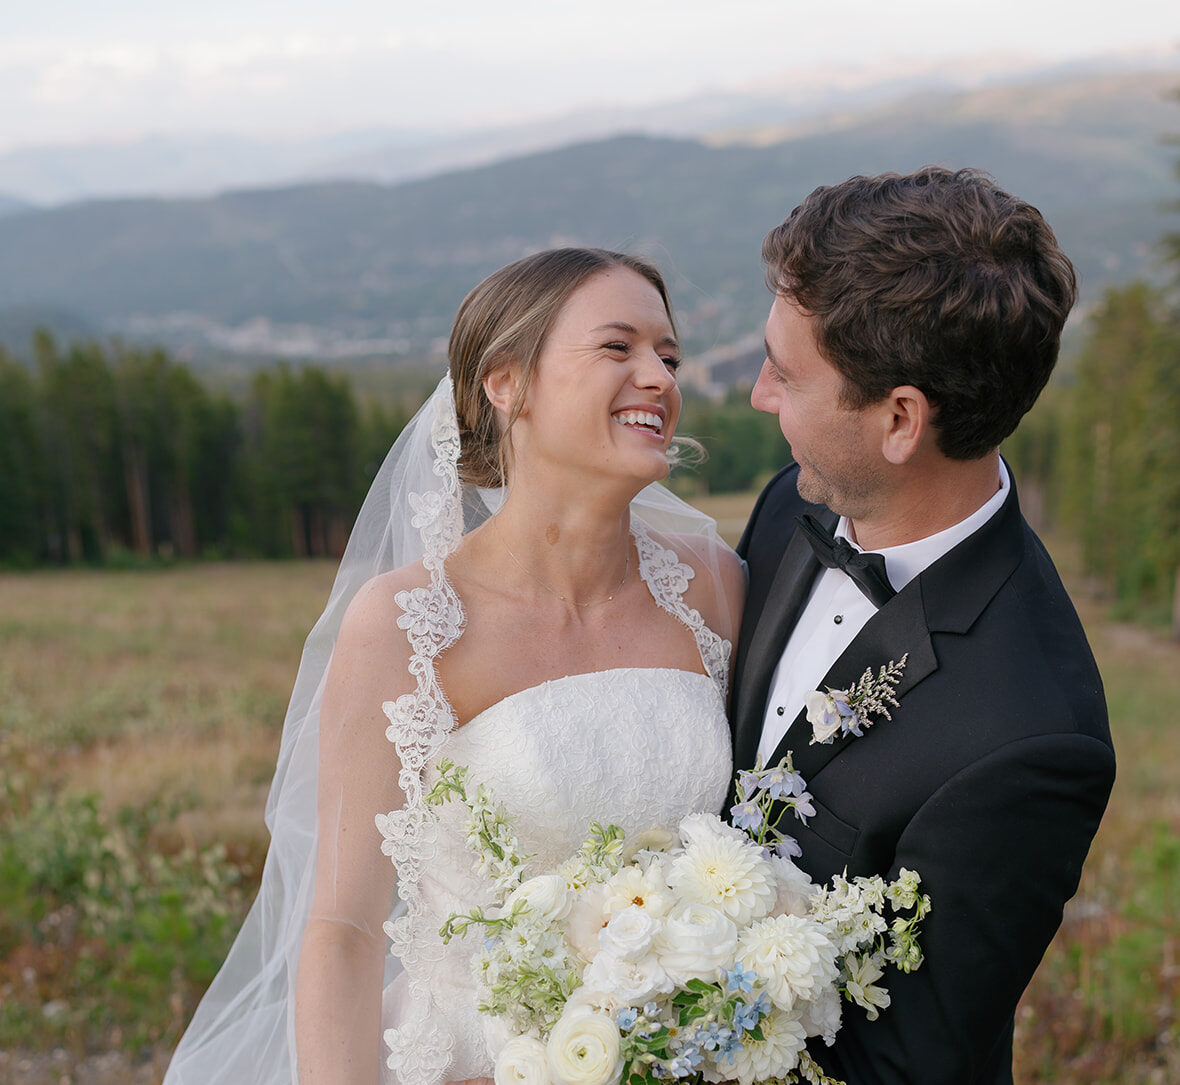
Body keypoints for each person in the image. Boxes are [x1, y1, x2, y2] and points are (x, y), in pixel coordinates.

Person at [162, 248, 744, 1085]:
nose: (658, 376)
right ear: (508, 383)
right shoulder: (407, 627)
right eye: (619, 348)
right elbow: (342, 924)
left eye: (670, 355)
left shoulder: (715, 588)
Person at [730, 167, 1116, 1084]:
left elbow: (903, 1068)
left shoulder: (1028, 738)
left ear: (901, 419)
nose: (757, 394)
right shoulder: (793, 504)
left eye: (786, 374)